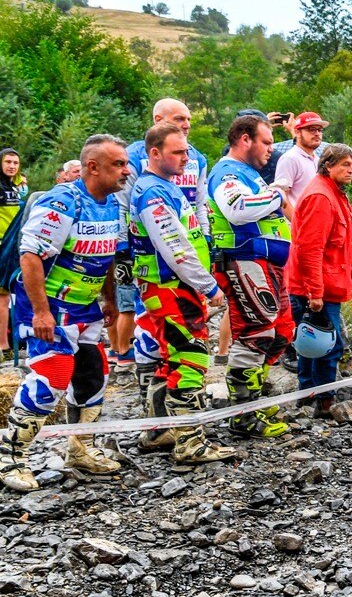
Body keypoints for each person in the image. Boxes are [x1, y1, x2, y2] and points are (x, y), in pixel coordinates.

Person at [0, 135, 128, 491]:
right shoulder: (63, 201)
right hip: (48, 304)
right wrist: (41, 312)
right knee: (52, 376)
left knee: (95, 374)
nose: (125, 171)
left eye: (125, 163)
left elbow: (107, 255)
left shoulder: (113, 202)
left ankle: (81, 449)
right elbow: (29, 256)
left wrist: (110, 299)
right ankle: (10, 456)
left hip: (85, 305)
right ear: (93, 167)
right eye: (118, 164)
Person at [129, 123, 235, 462]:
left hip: (175, 287)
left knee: (172, 358)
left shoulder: (164, 187)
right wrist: (208, 285)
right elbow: (175, 248)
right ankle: (189, 443)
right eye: (177, 152)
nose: (186, 158)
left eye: (187, 151)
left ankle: (159, 431)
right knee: (190, 357)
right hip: (170, 287)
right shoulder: (152, 193)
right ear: (155, 153)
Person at [118, 99, 213, 396]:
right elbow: (123, 204)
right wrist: (122, 250)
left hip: (184, 271)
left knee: (179, 346)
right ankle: (169, 410)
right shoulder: (136, 162)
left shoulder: (190, 163)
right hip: (162, 271)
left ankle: (160, 409)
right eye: (179, 119)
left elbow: (200, 203)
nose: (186, 125)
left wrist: (207, 241)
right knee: (182, 348)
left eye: (189, 120)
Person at [207, 115, 293, 439]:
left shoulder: (248, 173)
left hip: (266, 261)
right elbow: (238, 208)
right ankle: (242, 415)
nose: (271, 149)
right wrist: (277, 195)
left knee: (282, 331)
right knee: (256, 333)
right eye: (266, 142)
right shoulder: (228, 172)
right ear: (245, 139)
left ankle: (254, 398)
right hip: (244, 259)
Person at [287, 144, 352, 418]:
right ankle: (324, 402)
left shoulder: (333, 193)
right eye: (345, 164)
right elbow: (310, 249)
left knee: (311, 343)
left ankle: (308, 399)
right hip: (317, 288)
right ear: (328, 166)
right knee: (326, 345)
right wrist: (314, 292)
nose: (351, 170)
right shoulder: (321, 196)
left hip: (325, 284)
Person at [0, 148, 28, 358]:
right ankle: (3, 346)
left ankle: (11, 341)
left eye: (15, 163)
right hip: (2, 244)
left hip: (14, 245)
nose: (12, 166)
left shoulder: (16, 188)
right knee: (2, 296)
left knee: (11, 294)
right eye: (8, 162)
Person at [272, 111, 327, 219]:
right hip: (299, 225)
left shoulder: (318, 160)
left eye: (320, 130)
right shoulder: (290, 159)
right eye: (312, 129)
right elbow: (282, 198)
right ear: (297, 132)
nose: (317, 133)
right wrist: (298, 225)